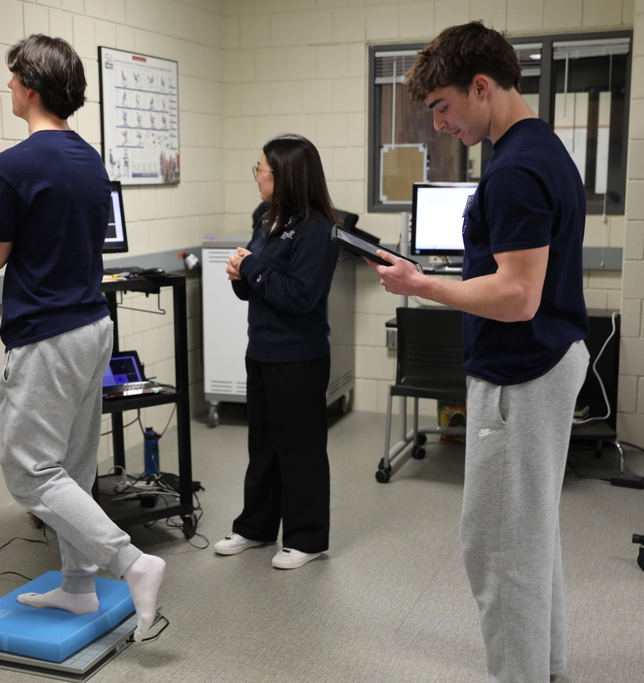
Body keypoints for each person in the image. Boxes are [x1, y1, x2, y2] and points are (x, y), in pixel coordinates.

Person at [367, 22, 590, 682]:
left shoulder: (518, 169)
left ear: (482, 87)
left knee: (498, 550)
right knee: (530, 533)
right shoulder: (539, 147)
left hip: (522, 373)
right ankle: (545, 664)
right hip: (549, 359)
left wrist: (419, 284)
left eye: (442, 106)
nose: (440, 124)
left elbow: (519, 295)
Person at [0, 34, 164, 642]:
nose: (7, 87)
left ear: (30, 86)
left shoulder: (13, 165)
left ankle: (130, 562)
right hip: (92, 325)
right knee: (75, 467)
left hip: (46, 335)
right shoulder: (90, 159)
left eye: (12, 79)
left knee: (30, 472)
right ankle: (79, 587)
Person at [214, 134, 341, 570]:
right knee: (263, 445)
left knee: (299, 447)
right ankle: (256, 527)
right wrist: (240, 276)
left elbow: (300, 295)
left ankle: (307, 537)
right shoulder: (267, 218)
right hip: (263, 348)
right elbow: (257, 288)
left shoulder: (317, 230)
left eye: (261, 170)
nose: (257, 176)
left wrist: (249, 268)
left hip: (299, 355)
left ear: (285, 175)